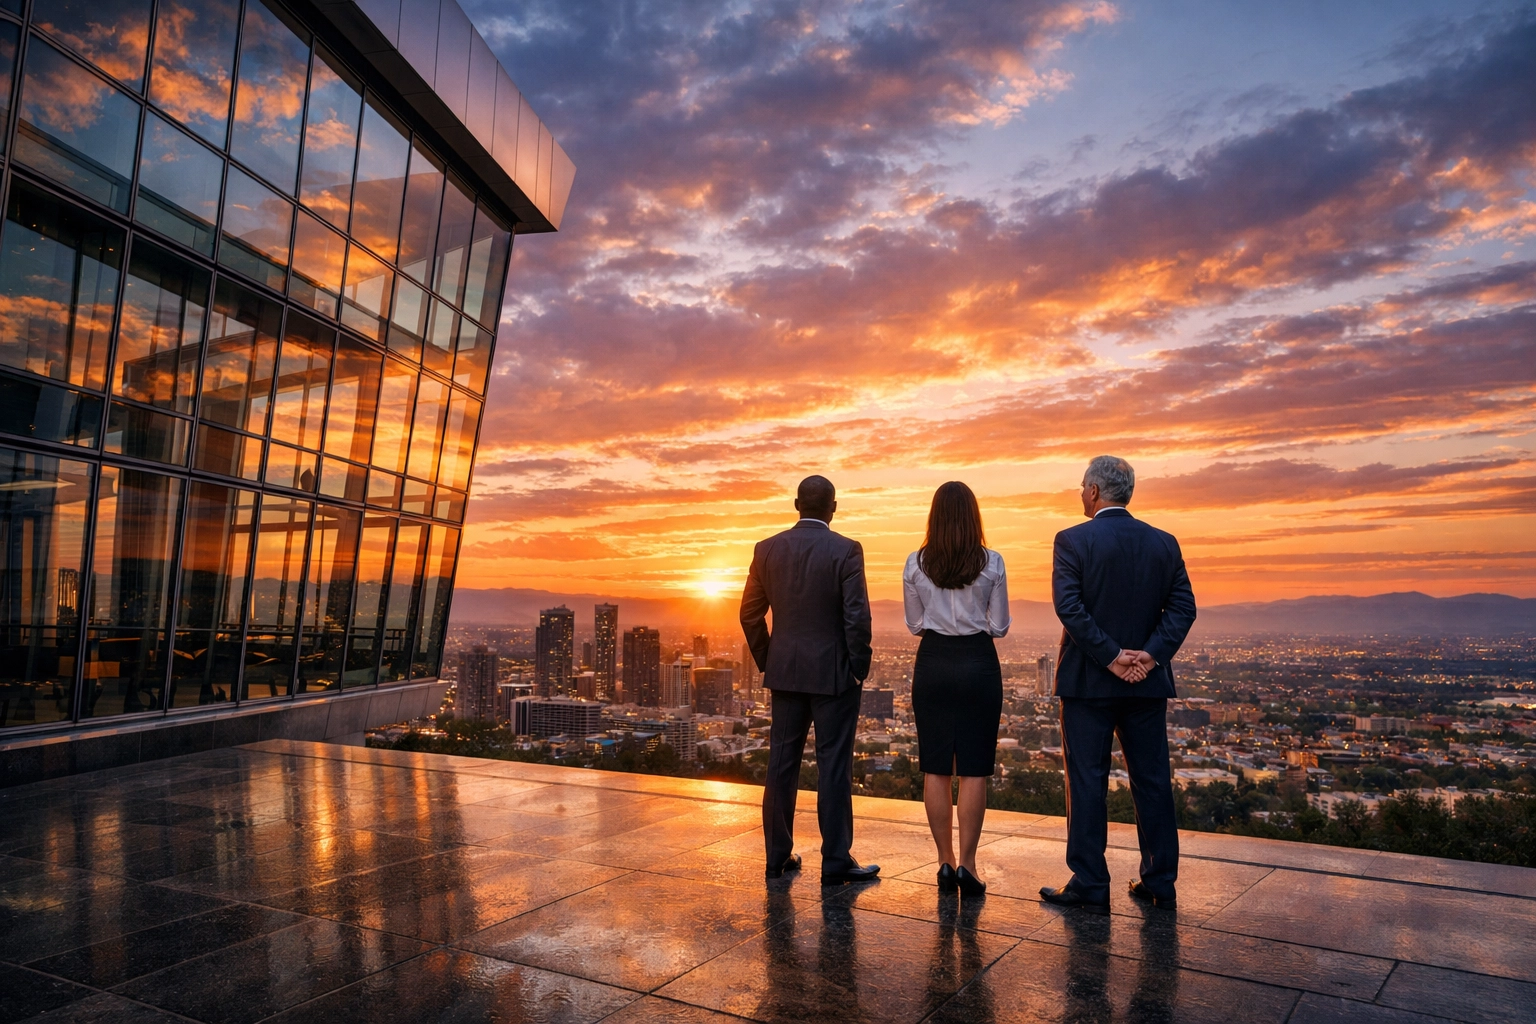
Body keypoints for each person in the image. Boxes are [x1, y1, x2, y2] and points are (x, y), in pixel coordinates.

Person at [1039, 456, 1196, 910]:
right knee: (1152, 781)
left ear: (1092, 491)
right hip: (1146, 683)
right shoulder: (1164, 543)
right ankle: (1159, 881)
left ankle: (1090, 882)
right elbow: (1184, 609)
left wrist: (1110, 656)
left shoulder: (1072, 540)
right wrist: (1148, 656)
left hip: (1088, 684)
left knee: (1087, 781)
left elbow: (1069, 608)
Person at [741, 475, 880, 885]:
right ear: (833, 508)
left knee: (781, 765)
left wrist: (771, 660)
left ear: (796, 504)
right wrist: (858, 669)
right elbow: (857, 616)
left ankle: (776, 857)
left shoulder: (766, 550)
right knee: (833, 767)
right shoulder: (846, 550)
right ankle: (836, 860)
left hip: (785, 675)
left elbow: (749, 614)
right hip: (835, 676)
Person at [904, 482, 1011, 897]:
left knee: (935, 766)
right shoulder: (993, 562)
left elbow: (915, 624)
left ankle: (944, 863)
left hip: (933, 662)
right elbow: (999, 627)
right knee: (973, 768)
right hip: (978, 663)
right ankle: (968, 864)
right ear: (973, 516)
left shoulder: (915, 563)